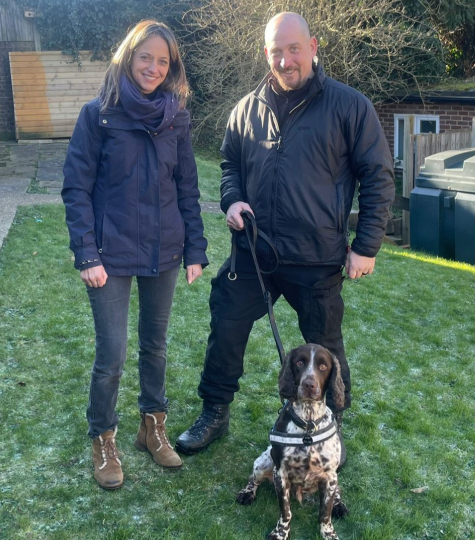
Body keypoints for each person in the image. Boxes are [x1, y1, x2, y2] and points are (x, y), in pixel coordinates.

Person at [176, 12, 394, 465]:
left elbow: (378, 177)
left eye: (294, 48)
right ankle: (214, 412)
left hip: (317, 258)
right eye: (276, 50)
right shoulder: (245, 109)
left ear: (313, 47)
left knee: (326, 344)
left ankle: (331, 427)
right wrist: (232, 200)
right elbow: (230, 166)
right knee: (226, 326)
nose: (285, 59)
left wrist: (366, 245)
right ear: (266, 53)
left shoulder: (349, 106)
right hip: (254, 254)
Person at [62, 20, 208, 490]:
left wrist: (195, 249)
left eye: (163, 61)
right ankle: (103, 438)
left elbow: (187, 187)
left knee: (156, 347)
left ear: (172, 68)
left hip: (164, 252)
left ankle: (153, 427)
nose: (154, 67)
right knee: (112, 354)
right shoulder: (98, 114)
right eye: (146, 57)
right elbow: (76, 188)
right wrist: (87, 253)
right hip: (110, 253)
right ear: (128, 56)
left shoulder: (177, 117)